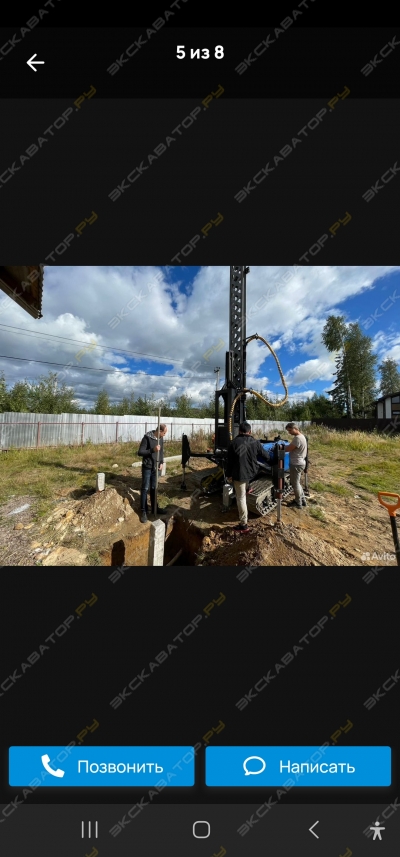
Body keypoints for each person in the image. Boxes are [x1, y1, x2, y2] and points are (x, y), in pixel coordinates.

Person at [226, 421, 270, 533]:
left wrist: (228, 475)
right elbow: (266, 456)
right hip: (252, 472)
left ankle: (243, 525)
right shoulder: (255, 442)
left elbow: (229, 462)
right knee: (246, 480)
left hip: (240, 474)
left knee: (240, 498)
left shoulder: (233, 443)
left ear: (239, 431)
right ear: (250, 432)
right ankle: (247, 488)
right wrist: (274, 461)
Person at [138, 423, 168, 523]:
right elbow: (140, 452)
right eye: (164, 433)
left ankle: (155, 508)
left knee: (154, 488)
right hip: (147, 467)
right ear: (159, 431)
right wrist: (152, 450)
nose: (165, 435)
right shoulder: (147, 438)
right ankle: (144, 511)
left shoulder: (160, 439)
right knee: (145, 488)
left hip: (156, 467)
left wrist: (161, 462)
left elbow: (161, 451)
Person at [284, 422, 307, 509]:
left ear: (295, 429)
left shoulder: (297, 438)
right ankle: (302, 499)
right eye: (288, 431)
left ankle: (298, 502)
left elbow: (288, 449)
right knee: (297, 483)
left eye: (290, 430)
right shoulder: (302, 436)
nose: (289, 432)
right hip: (300, 462)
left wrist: (279, 447)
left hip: (296, 464)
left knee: (295, 483)